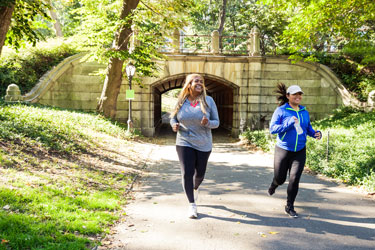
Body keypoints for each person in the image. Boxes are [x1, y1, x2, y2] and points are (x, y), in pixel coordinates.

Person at [268, 83, 322, 218]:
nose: (298, 96)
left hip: (300, 151)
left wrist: (315, 133)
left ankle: (290, 206)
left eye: (300, 94)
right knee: (280, 178)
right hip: (283, 149)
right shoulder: (281, 111)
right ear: (288, 96)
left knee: (294, 179)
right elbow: (273, 129)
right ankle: (274, 184)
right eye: (295, 94)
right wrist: (288, 123)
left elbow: (308, 128)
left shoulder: (304, 112)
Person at [170, 73, 219, 219]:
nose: (199, 83)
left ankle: (195, 187)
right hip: (184, 141)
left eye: (201, 81)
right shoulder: (181, 100)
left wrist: (207, 123)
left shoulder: (208, 100)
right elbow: (172, 117)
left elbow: (217, 122)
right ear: (189, 84)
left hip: (203, 142)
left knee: (200, 174)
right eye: (196, 81)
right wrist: (174, 125)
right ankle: (192, 204)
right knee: (187, 173)